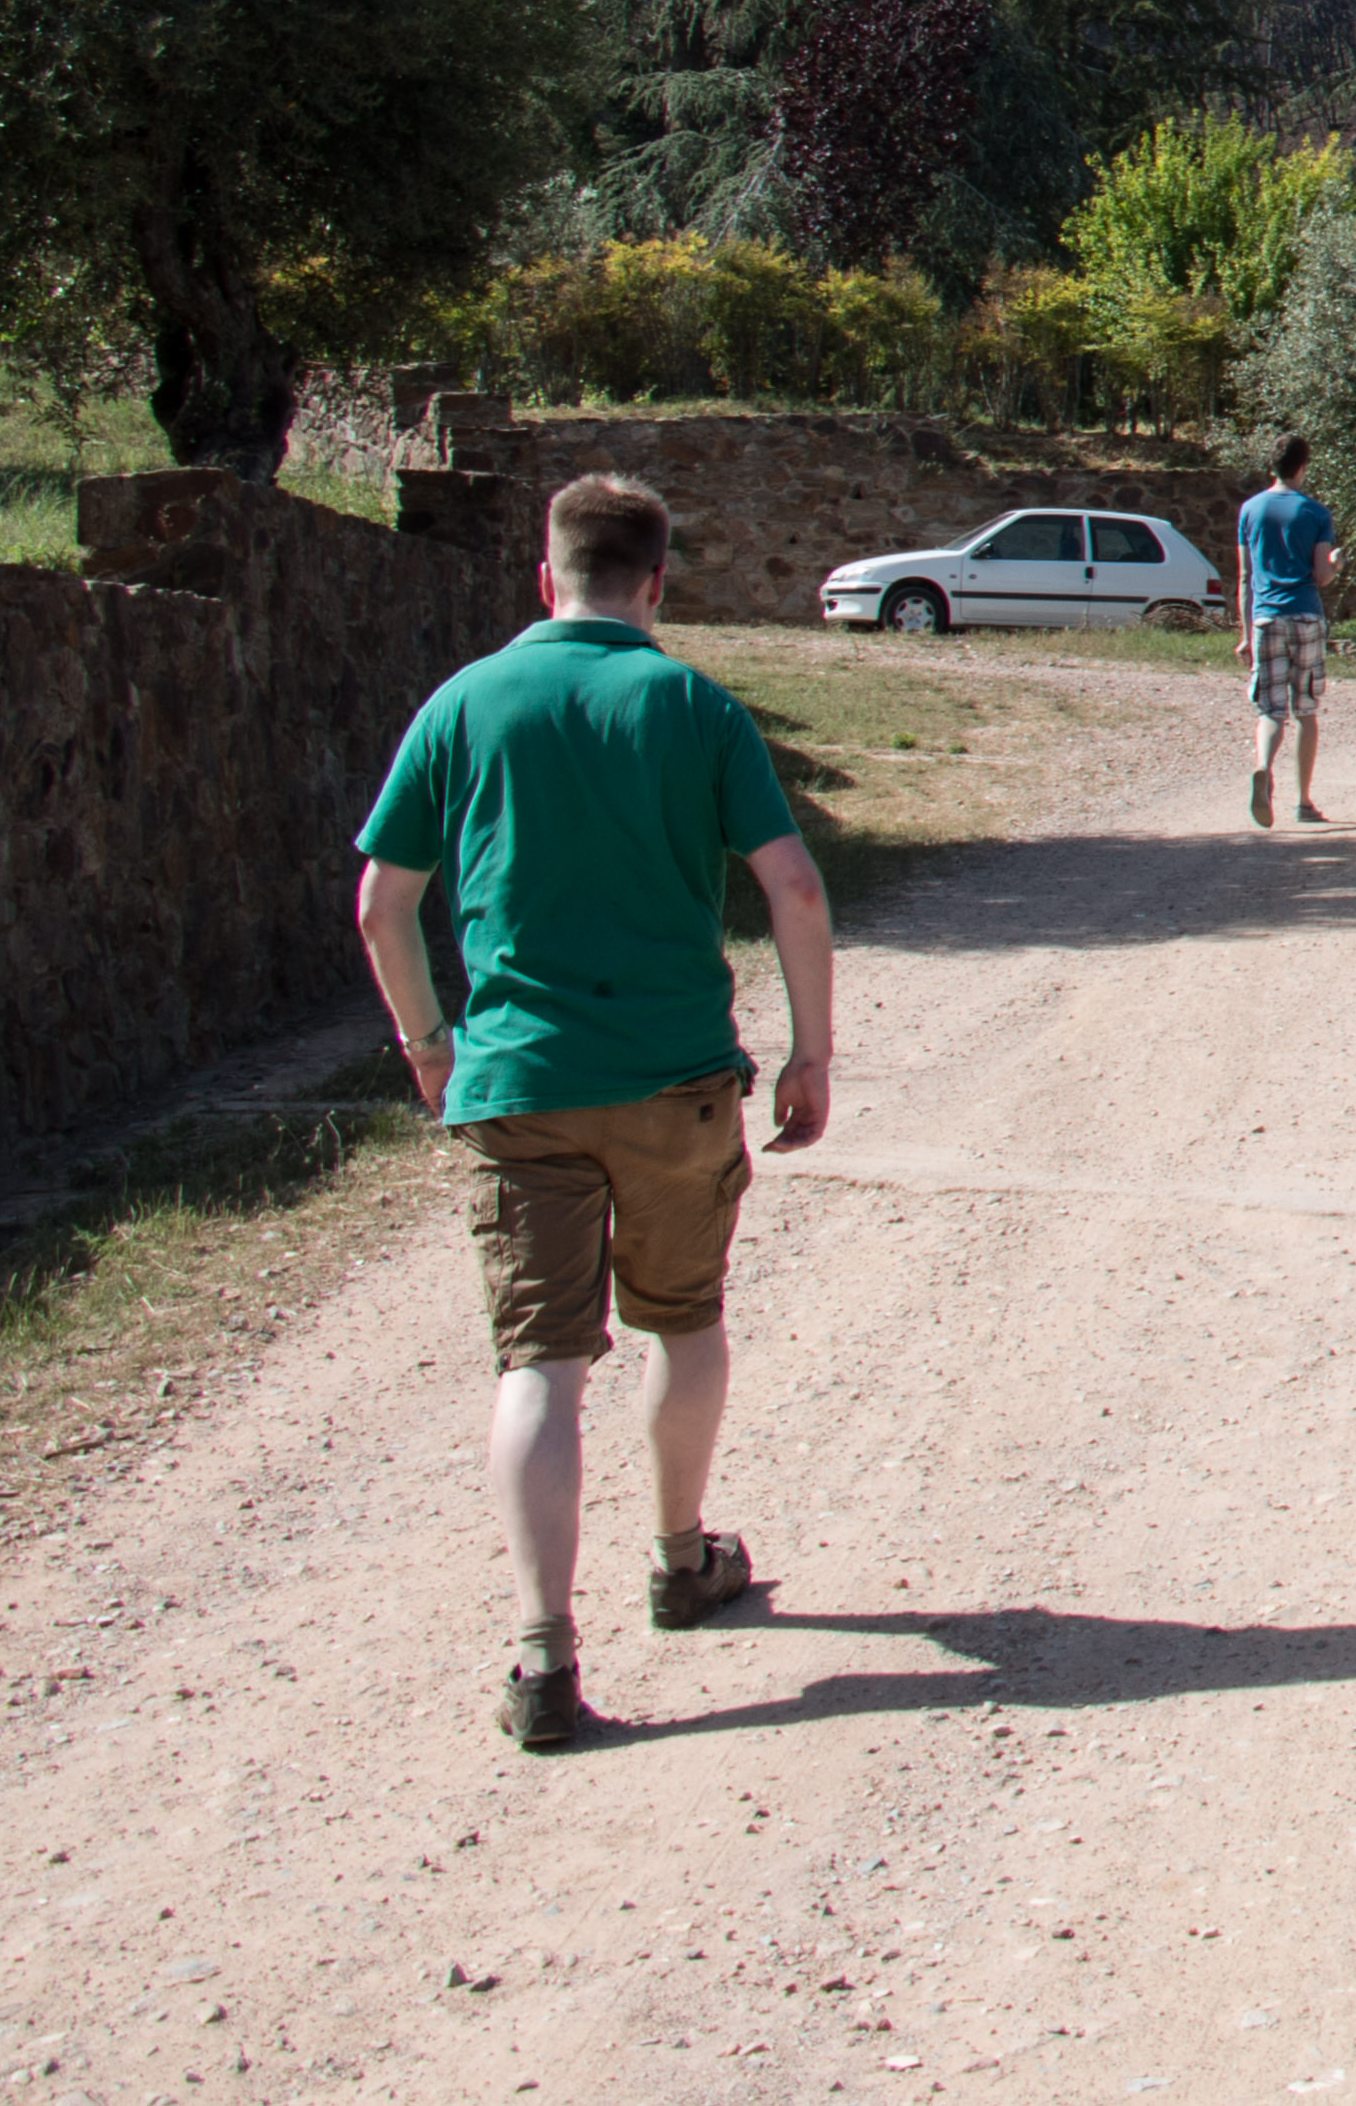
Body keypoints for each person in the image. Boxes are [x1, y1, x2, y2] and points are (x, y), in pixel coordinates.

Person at [350, 472, 835, 1755]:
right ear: (658, 583)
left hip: (519, 1085)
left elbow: (381, 905)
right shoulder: (693, 705)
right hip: (676, 1081)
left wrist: (429, 1046)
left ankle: (544, 1657)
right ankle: (680, 1558)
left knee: (540, 1364)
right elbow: (793, 886)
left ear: (545, 577)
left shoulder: (463, 704)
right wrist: (811, 1054)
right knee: (683, 1318)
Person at [1239, 433, 1340, 824]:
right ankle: (1303, 802)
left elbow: (1245, 577)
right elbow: (1321, 575)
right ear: (1303, 466)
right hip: (1305, 616)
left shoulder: (1250, 510)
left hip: (1266, 618)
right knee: (1306, 711)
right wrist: (1337, 563)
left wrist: (1245, 635)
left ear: (1273, 465)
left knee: (1270, 710)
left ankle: (1263, 768)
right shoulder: (1315, 513)